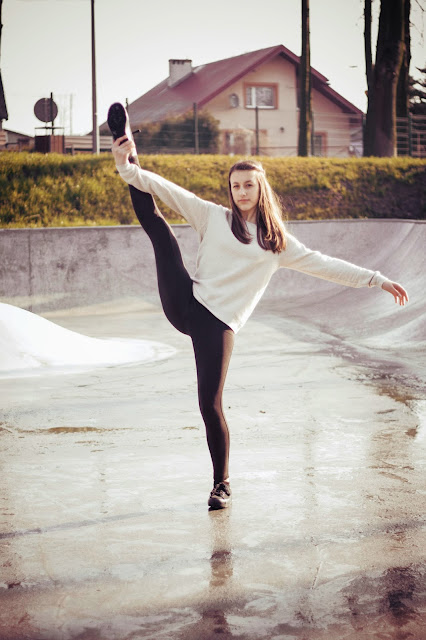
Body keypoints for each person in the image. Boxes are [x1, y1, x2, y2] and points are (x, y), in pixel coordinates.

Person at [109, 105, 408, 510]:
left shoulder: (276, 244)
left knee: (209, 404)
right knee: (161, 233)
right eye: (235, 186)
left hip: (218, 325)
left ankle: (221, 485)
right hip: (186, 302)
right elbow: (166, 190)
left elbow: (325, 265)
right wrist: (126, 166)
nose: (241, 192)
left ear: (260, 188)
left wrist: (376, 278)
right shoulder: (213, 217)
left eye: (248, 185)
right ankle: (127, 145)